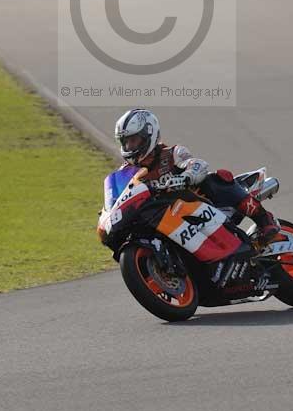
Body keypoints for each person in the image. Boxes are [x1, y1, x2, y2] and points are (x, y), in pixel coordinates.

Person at [111, 108, 280, 284]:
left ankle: (264, 221)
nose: (129, 147)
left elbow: (198, 164)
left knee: (217, 178)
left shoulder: (171, 153)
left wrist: (186, 176)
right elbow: (121, 193)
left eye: (133, 140)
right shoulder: (129, 172)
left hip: (203, 204)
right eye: (126, 142)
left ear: (149, 134)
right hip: (168, 217)